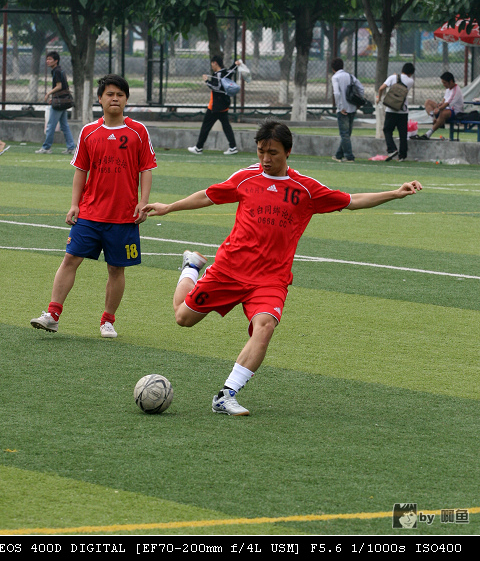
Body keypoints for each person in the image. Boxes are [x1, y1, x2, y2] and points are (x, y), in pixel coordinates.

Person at [143, 119, 422, 416]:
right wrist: (169, 206)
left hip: (270, 279)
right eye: (261, 151)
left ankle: (226, 395)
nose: (266, 158)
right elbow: (208, 196)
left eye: (273, 152)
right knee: (183, 318)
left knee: (265, 326)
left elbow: (352, 200)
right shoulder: (246, 178)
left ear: (288, 152)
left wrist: (395, 193)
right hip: (230, 269)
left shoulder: (305, 189)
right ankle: (190, 267)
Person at [30, 74, 157, 338]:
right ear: (100, 99)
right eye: (110, 94)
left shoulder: (138, 131)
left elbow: (146, 168)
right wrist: (74, 204)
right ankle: (52, 315)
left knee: (116, 268)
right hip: (90, 212)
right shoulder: (89, 131)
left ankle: (108, 321)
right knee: (70, 259)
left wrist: (143, 202)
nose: (115, 99)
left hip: (124, 215)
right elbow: (81, 170)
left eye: (120, 95)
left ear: (126, 100)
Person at [188, 55, 239, 156]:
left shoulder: (219, 74)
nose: (211, 66)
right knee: (226, 126)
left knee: (206, 126)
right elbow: (231, 71)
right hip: (223, 104)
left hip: (216, 106)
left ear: (215, 63)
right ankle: (233, 147)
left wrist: (207, 81)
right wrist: (235, 65)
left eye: (212, 64)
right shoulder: (224, 72)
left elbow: (217, 87)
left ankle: (198, 148)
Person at [35, 51, 76, 155]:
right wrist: (53, 97)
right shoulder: (59, 70)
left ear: (56, 61)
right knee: (64, 126)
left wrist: (48, 93)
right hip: (62, 100)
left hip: (59, 103)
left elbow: (59, 86)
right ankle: (71, 147)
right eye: (47, 59)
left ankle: (46, 147)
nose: (47, 61)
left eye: (50, 59)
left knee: (51, 126)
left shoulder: (56, 71)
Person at [377, 62, 415, 161]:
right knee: (403, 133)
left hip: (391, 109)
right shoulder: (411, 81)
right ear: (411, 73)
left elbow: (381, 88)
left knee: (387, 130)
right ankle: (402, 156)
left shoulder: (392, 78)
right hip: (403, 111)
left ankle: (392, 149)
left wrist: (379, 98)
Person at [331, 57, 364, 162]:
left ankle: (349, 156)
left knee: (344, 134)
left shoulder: (335, 77)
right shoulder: (350, 76)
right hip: (352, 107)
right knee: (347, 134)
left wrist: (339, 107)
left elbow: (336, 93)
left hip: (343, 109)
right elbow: (361, 88)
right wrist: (358, 102)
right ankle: (338, 155)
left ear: (333, 68)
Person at [418, 71, 464, 140]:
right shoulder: (448, 89)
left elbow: (446, 104)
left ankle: (428, 134)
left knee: (443, 112)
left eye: (444, 83)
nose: (443, 85)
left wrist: (438, 109)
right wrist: (439, 105)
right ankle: (434, 120)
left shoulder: (456, 90)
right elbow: (444, 100)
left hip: (455, 113)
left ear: (451, 81)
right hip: (445, 109)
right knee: (428, 102)